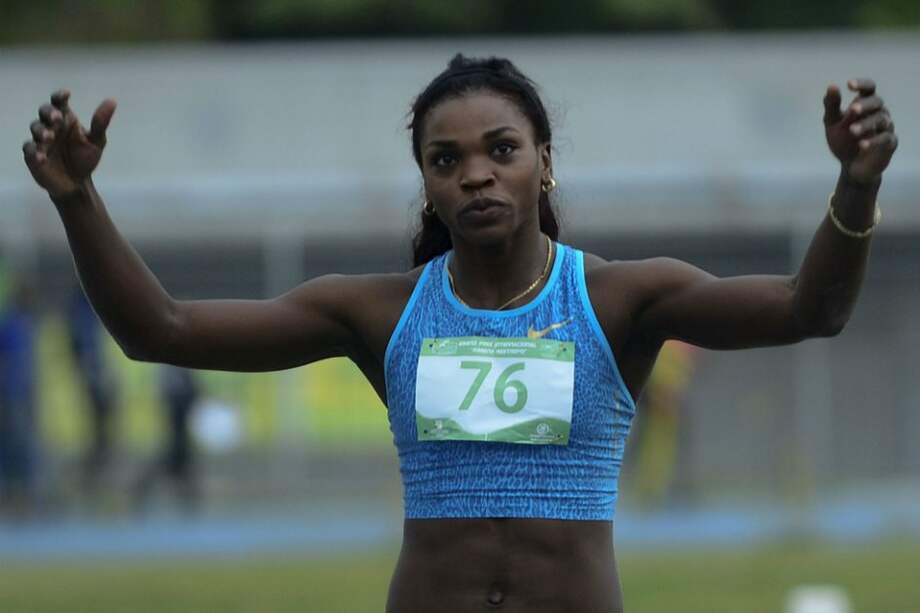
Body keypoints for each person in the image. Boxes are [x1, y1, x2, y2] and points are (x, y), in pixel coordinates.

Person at [21, 54, 897, 612]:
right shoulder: (380, 313)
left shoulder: (620, 299)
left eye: (501, 149)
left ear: (543, 160)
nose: (476, 173)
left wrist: (855, 185)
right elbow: (161, 328)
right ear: (428, 184)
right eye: (447, 160)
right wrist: (76, 197)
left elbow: (806, 308)